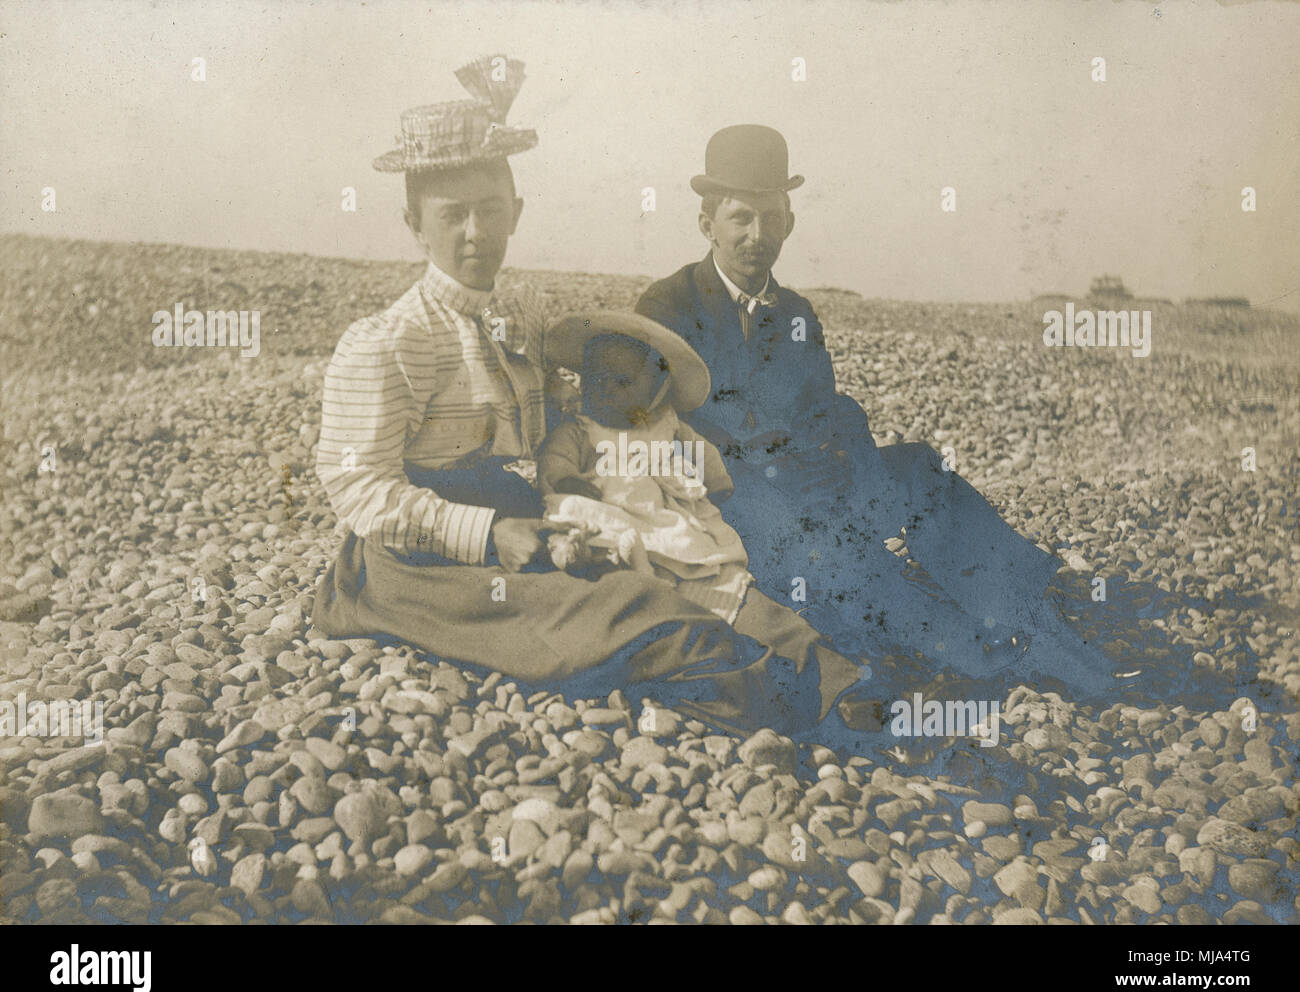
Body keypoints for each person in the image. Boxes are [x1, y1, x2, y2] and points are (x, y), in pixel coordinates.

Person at [308, 60, 876, 746]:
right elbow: (360, 490)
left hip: (528, 515)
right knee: (637, 615)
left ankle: (830, 677)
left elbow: (561, 426)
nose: (475, 234)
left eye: (490, 210)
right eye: (451, 215)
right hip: (421, 561)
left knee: (675, 572)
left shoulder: (521, 314)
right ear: (413, 224)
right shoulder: (387, 342)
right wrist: (492, 535)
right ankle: (793, 705)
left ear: (515, 213)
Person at [634, 124, 1140, 698]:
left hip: (808, 486)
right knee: (838, 548)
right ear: (707, 224)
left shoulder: (798, 313)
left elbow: (823, 411)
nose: (758, 234)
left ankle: (1030, 612)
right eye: (740, 218)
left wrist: (835, 461)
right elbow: (662, 430)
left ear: (790, 223)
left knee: (921, 469)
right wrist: (775, 470)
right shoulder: (666, 306)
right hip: (728, 503)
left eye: (771, 218)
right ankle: (990, 655)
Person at [535, 311, 878, 740]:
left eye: (621, 383)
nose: (603, 391)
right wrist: (573, 487)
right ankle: (767, 699)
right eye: (593, 381)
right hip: (624, 550)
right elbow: (555, 473)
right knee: (683, 635)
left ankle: (841, 683)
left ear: (656, 391)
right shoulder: (579, 432)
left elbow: (713, 474)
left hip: (690, 549)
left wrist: (702, 491)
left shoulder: (671, 431)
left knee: (755, 609)